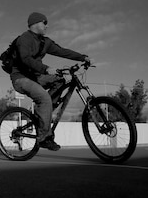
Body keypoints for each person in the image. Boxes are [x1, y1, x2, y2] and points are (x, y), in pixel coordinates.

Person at [10, 12, 90, 151]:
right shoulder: (24, 39)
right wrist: (46, 69)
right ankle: (44, 138)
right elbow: (25, 59)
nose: (47, 26)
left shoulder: (45, 42)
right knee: (44, 98)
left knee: (60, 80)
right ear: (35, 23)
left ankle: (44, 112)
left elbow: (62, 51)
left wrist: (83, 57)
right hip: (20, 78)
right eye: (44, 22)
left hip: (36, 77)